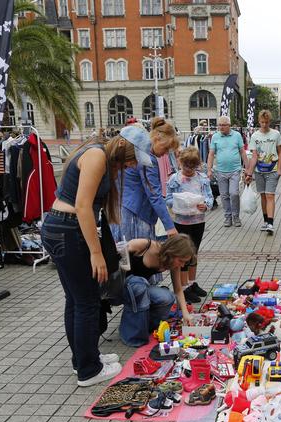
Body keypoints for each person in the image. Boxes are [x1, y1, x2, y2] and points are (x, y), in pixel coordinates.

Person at [41, 126, 154, 387]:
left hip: (62, 228)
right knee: (87, 302)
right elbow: (82, 206)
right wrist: (96, 253)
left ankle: (83, 359)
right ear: (125, 148)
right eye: (133, 158)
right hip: (69, 230)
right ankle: (89, 370)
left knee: (77, 300)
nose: (133, 164)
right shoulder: (97, 156)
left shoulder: (100, 155)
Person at [121, 234, 197, 346]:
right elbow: (119, 250)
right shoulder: (145, 245)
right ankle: (131, 334)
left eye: (185, 262)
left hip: (140, 287)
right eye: (181, 260)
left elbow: (178, 289)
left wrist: (185, 314)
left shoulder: (174, 263)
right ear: (172, 252)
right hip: (123, 286)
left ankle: (147, 325)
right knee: (139, 284)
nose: (182, 265)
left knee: (167, 297)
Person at [116, 118, 180, 250]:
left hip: (124, 207)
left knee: (127, 257)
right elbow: (154, 194)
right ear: (157, 138)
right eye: (166, 148)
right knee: (141, 259)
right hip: (137, 214)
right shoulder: (147, 159)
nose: (166, 153)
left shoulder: (135, 150)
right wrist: (170, 226)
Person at [165, 148, 213, 302]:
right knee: (183, 254)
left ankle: (192, 283)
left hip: (198, 221)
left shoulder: (202, 178)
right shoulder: (175, 179)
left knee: (194, 252)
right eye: (186, 166)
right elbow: (167, 200)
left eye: (192, 167)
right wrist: (179, 202)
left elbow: (209, 197)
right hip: (181, 222)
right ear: (181, 163)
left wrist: (205, 205)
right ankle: (183, 287)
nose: (189, 170)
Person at [245, 109, 281, 235]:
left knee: (270, 195)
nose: (264, 125)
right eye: (262, 122)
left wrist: (279, 169)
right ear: (259, 121)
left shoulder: (276, 134)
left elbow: (280, 152)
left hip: (272, 169)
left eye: (266, 122)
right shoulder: (255, 136)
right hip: (259, 171)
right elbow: (254, 156)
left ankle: (271, 223)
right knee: (262, 195)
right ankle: (266, 221)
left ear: (269, 122)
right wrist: (249, 174)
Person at [207, 115, 248, 227]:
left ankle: (236, 216)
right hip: (220, 171)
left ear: (229, 125)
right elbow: (211, 154)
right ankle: (227, 217)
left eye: (223, 125)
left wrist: (248, 169)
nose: (221, 127)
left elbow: (242, 152)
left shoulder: (237, 135)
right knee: (224, 195)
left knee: (234, 193)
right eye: (219, 125)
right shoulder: (215, 137)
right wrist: (209, 169)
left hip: (235, 170)